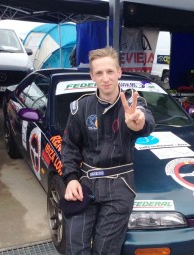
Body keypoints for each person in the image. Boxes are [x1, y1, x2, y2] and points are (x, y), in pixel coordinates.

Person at [61, 46, 155, 255]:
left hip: (119, 186)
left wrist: (136, 123)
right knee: (75, 247)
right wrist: (71, 178)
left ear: (119, 72)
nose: (105, 78)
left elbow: (145, 121)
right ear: (92, 76)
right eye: (99, 73)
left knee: (106, 250)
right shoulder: (81, 107)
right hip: (85, 184)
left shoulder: (133, 103)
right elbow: (69, 146)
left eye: (110, 72)